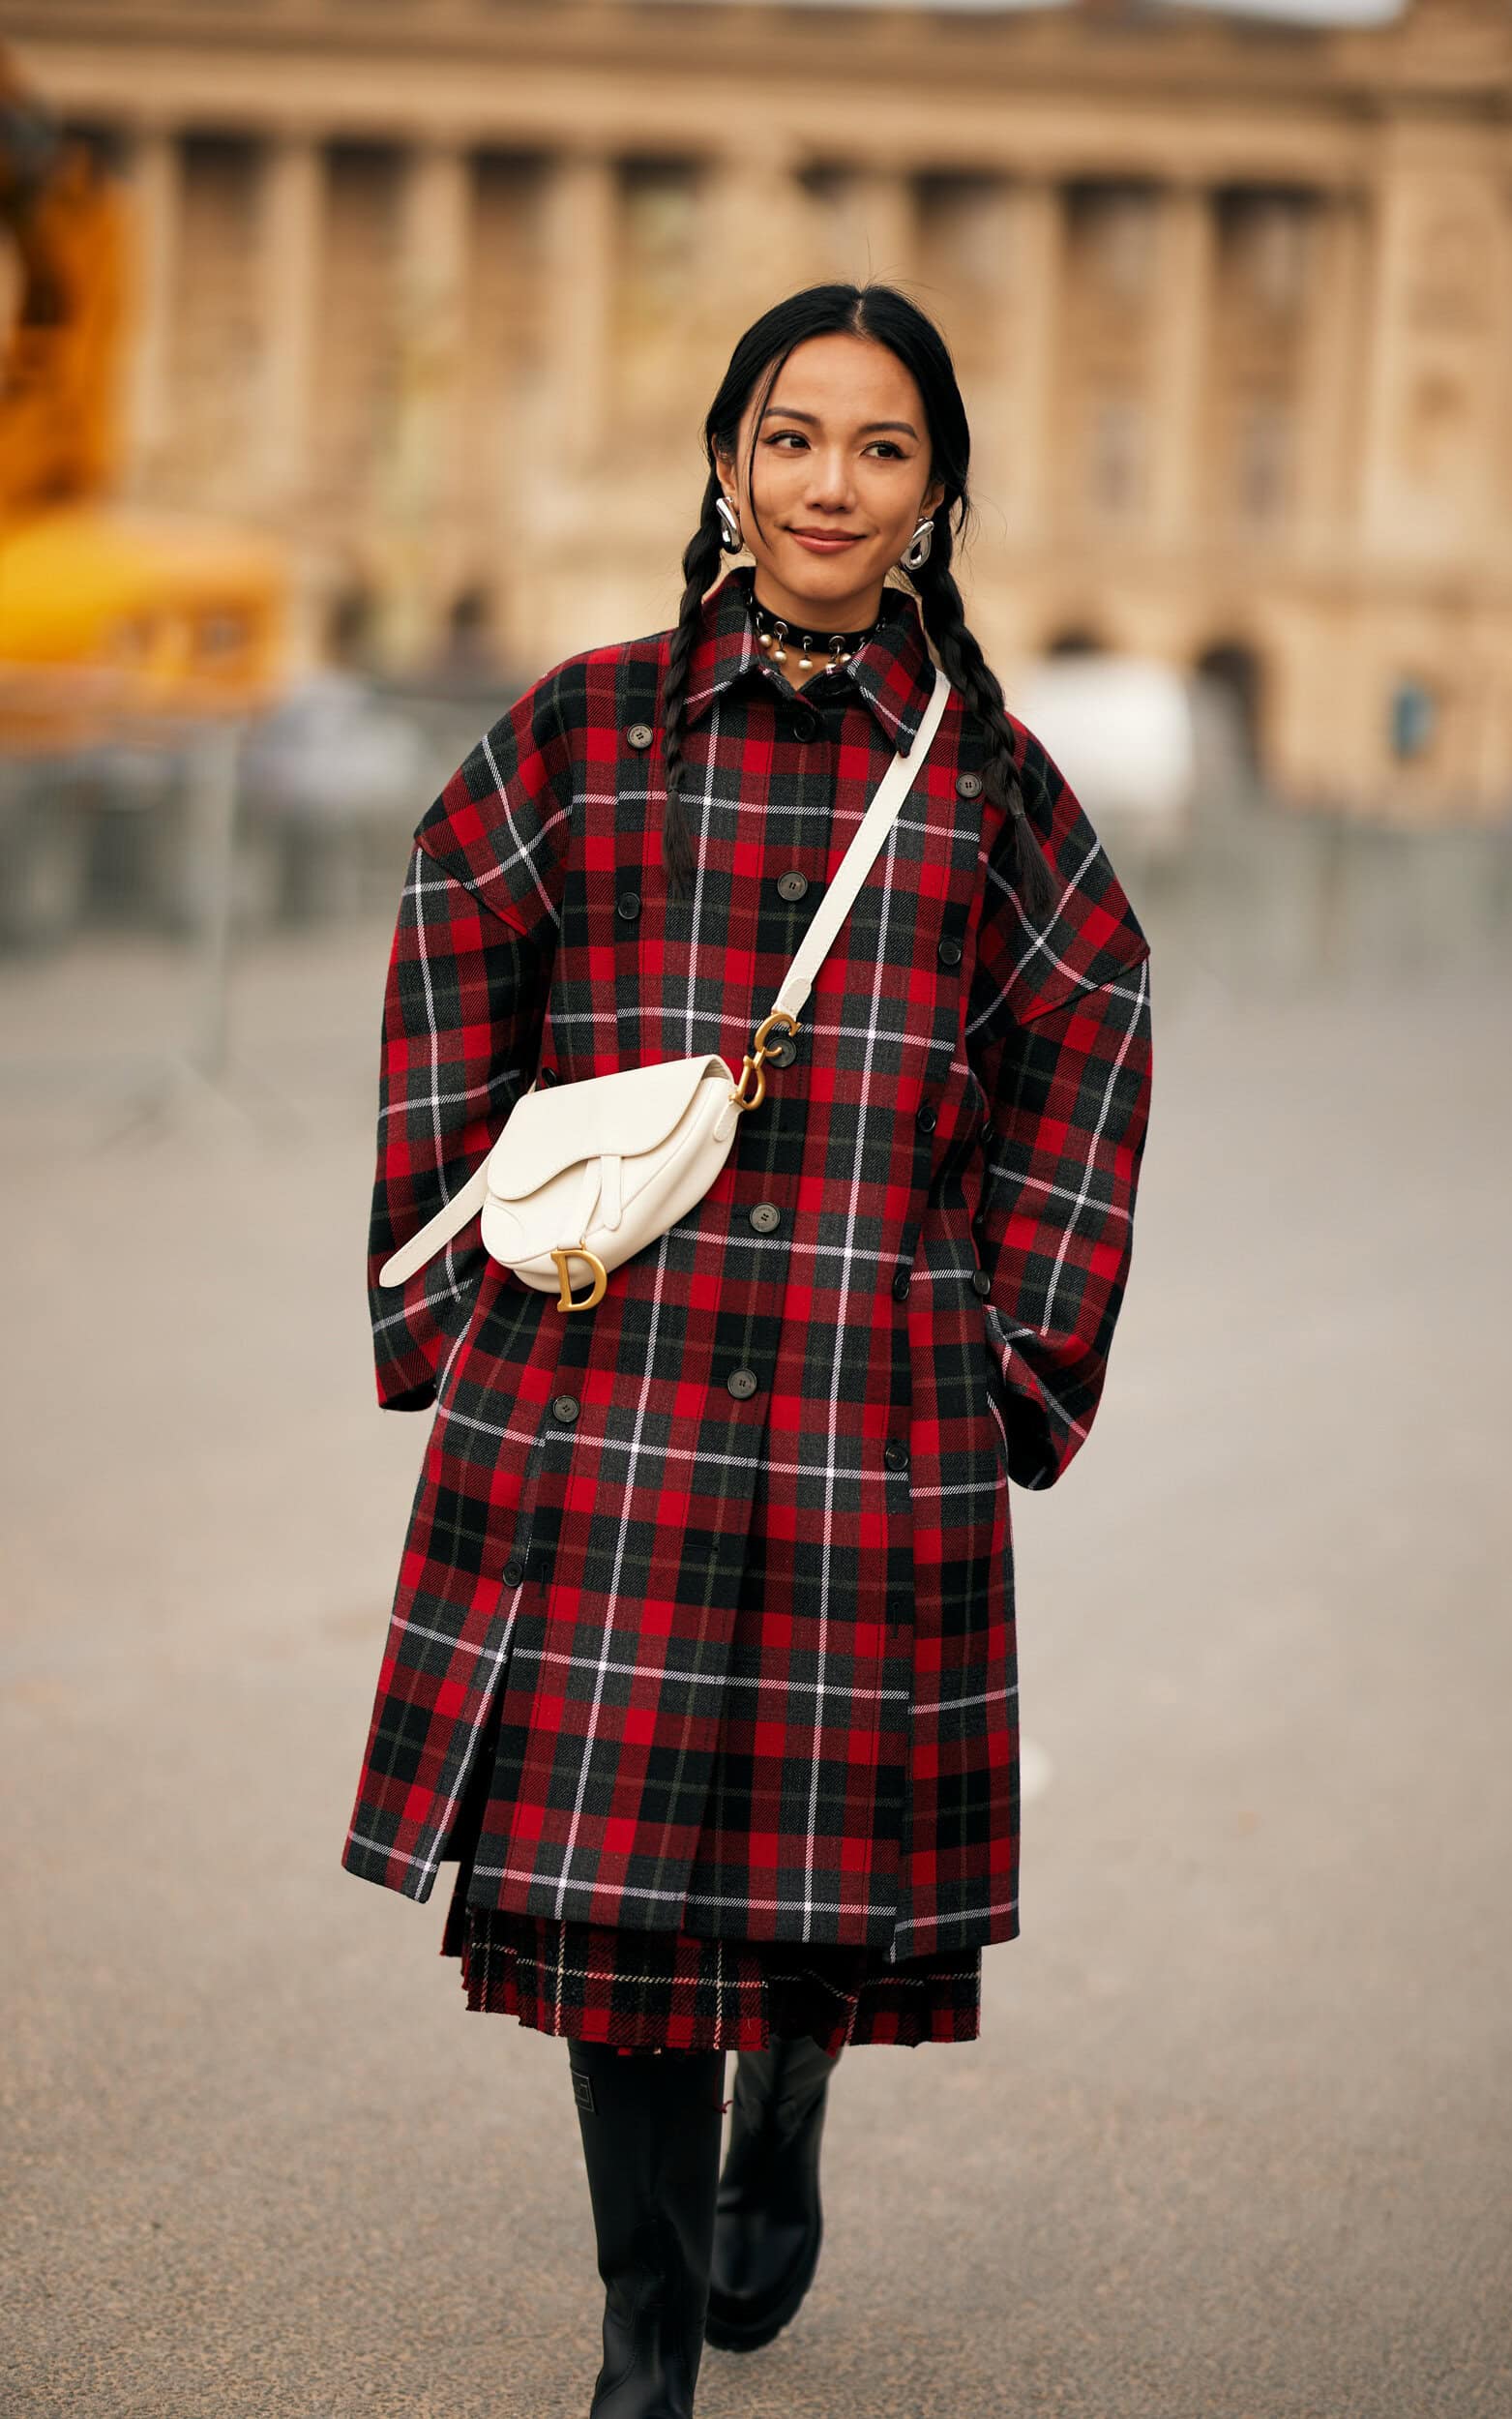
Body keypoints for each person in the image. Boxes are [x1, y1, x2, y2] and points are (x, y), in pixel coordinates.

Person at [341, 281, 1154, 2418]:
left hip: (860, 1396)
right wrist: (459, 1270)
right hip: (606, 1379)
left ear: (936, 495)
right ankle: (641, 2330)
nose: (830, 481)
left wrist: (1006, 1348)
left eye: (881, 448)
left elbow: (1095, 1023)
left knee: (805, 1868)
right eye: (793, 436)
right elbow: (452, 918)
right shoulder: (589, 726)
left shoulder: (985, 784)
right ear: (725, 464)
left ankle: (786, 2098)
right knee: (612, 1891)